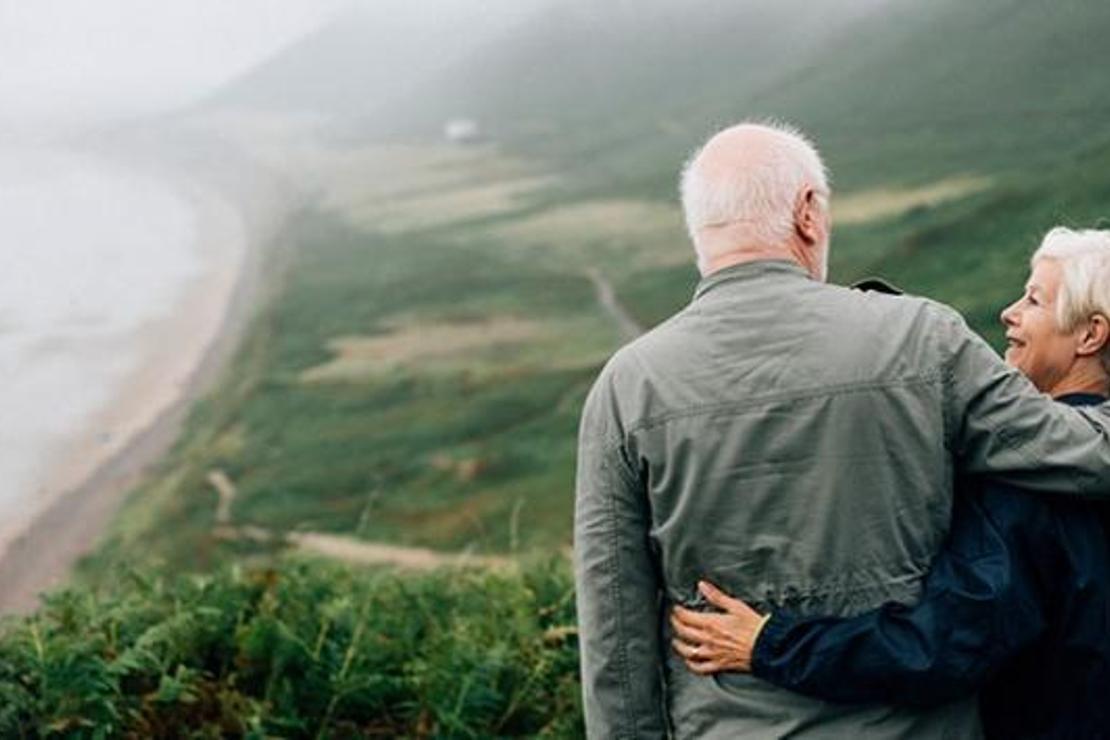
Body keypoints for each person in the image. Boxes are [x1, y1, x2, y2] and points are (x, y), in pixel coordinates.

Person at [573, 121, 1110, 738]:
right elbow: (1088, 453)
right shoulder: (923, 340)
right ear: (807, 213)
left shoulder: (625, 388)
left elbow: (615, 634)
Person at [669, 227, 1110, 738]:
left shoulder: (1028, 483)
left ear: (1089, 334)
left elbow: (942, 648)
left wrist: (770, 645)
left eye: (1034, 300)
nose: (1009, 313)